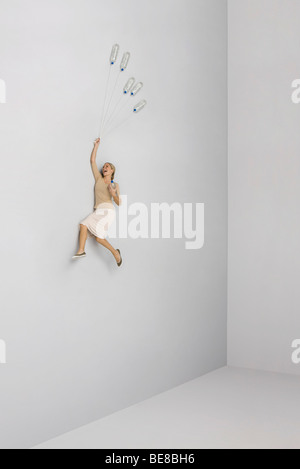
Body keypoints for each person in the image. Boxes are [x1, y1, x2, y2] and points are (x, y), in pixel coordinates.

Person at [73, 138, 122, 266]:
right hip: (98, 210)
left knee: (99, 238)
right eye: (104, 166)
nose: (105, 167)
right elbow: (92, 161)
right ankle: (81, 250)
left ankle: (116, 254)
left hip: (108, 211)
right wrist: (96, 145)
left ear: (112, 171)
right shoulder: (99, 179)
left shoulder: (114, 184)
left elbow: (119, 202)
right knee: (83, 225)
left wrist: (113, 194)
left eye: (108, 166)